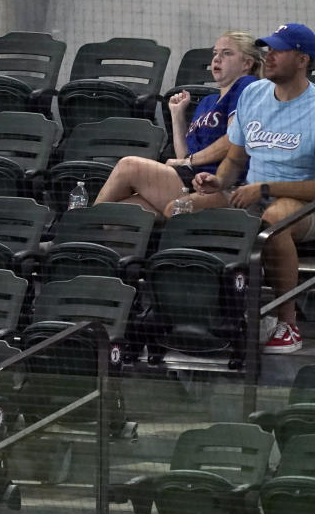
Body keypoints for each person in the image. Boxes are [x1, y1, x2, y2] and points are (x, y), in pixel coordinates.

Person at [183, 23, 315, 355]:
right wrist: (217, 182)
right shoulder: (253, 95)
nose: (268, 56)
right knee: (183, 209)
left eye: (278, 50)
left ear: (302, 60)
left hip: (303, 203)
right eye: (267, 49)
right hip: (253, 192)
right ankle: (198, 312)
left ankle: (288, 325)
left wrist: (264, 188)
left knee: (272, 222)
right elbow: (235, 159)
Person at [95, 32, 262, 215]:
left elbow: (233, 140)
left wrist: (188, 161)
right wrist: (177, 116)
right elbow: (185, 156)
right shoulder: (207, 102)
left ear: (247, 63)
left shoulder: (247, 85)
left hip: (216, 184)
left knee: (129, 166)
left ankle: (83, 226)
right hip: (190, 179)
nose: (217, 59)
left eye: (227, 53)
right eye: (215, 53)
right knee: (122, 214)